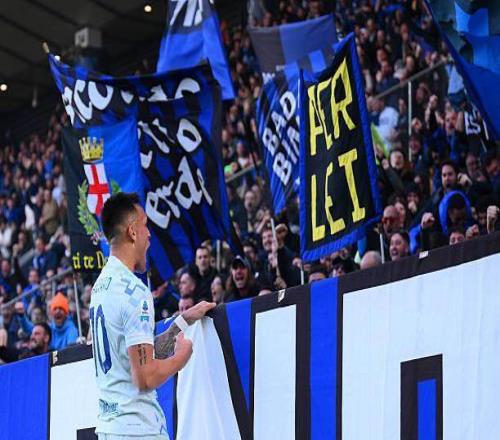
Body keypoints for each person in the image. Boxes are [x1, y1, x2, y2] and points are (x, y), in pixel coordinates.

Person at [91, 192, 215, 440]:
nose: (149, 235)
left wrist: (182, 321)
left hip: (110, 427)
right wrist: (181, 357)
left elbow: (136, 356)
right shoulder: (133, 291)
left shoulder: (100, 286)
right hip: (138, 429)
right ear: (132, 232)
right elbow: (145, 377)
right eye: (145, 225)